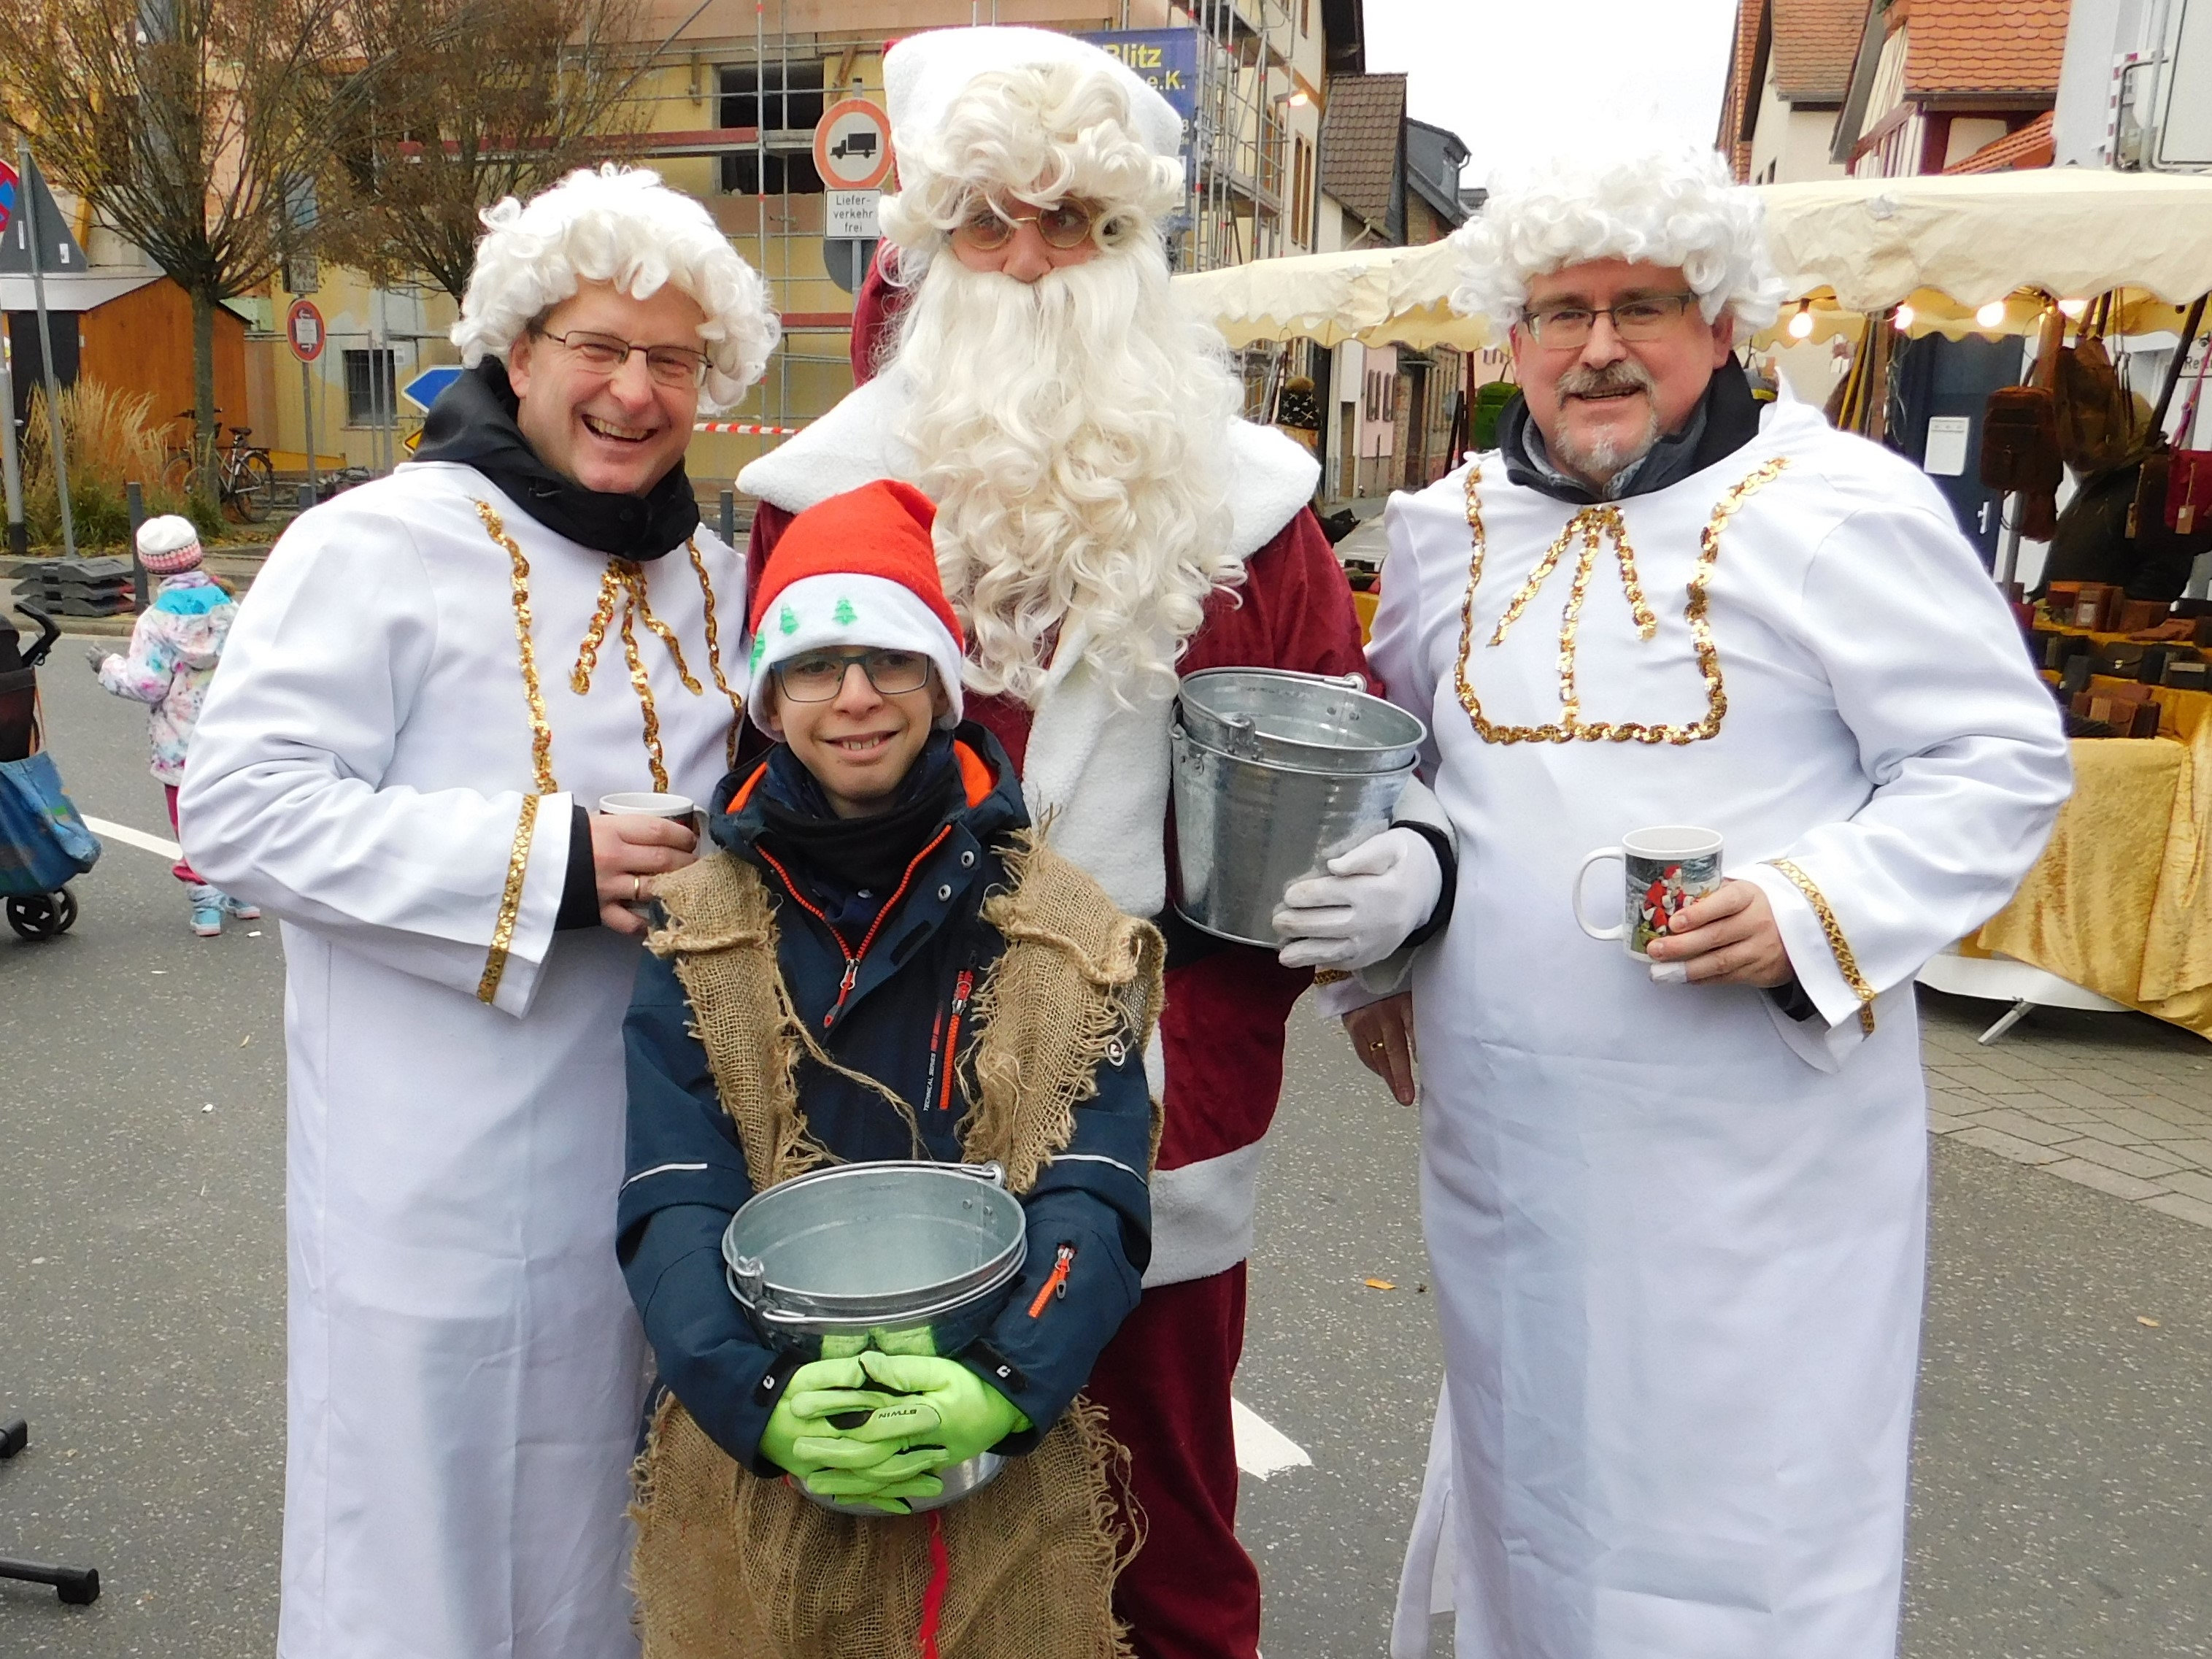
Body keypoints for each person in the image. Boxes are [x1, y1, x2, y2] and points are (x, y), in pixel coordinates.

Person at [734, 29, 1449, 1657]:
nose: (1033, 261)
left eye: (1075, 222)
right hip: (878, 1076)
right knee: (894, 1519)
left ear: (1134, 247)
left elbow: (1343, 753)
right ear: (931, 250)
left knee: (1161, 1514)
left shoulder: (1252, 504)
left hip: (1168, 1081)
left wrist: (1392, 913)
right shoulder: (820, 493)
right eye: (990, 222)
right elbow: (753, 781)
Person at [1318, 145, 2073, 1659]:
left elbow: (1995, 757)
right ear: (1512, 338)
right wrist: (1380, 952)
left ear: (1720, 323)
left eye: (1642, 306)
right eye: (1561, 312)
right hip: (1510, 1142)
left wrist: (1810, 903)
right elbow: (1399, 763)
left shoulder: (1839, 504)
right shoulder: (1444, 528)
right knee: (1535, 1476)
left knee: (1751, 1508)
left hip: (1759, 1158)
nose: (1598, 347)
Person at [178, 165, 778, 1659]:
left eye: (674, 359)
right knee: (429, 1558)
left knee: (624, 1552)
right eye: (599, 346)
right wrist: (550, 863)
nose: (635, 391)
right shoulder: (376, 542)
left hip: (665, 1176)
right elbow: (239, 808)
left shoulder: (717, 578)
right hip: (432, 1180)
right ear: (518, 350)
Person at [620, 478, 1160, 1657]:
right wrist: (757, 1401)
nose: (855, 696)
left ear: (941, 685)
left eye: (890, 660)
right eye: (814, 666)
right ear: (770, 699)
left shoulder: (1059, 923)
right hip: (758, 1472)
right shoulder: (698, 927)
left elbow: (1097, 1188)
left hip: (997, 1477)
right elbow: (672, 1195)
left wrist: (1005, 1383)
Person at [86, 514, 255, 936]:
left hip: (182, 742)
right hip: (235, 734)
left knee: (191, 820)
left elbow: (147, 684)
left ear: (150, 566)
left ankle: (207, 905)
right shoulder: (231, 607)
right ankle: (244, 892)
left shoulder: (155, 621)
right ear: (196, 553)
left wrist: (108, 666)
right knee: (234, 811)